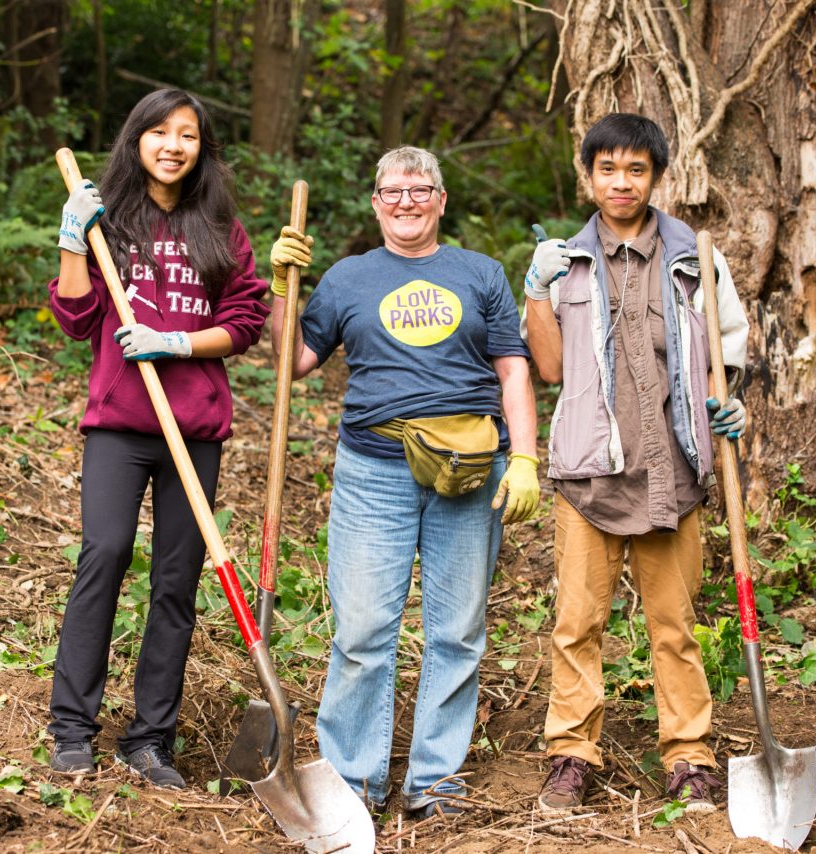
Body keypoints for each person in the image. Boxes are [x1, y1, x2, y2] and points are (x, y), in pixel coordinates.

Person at [267, 145, 541, 819]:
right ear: (375, 203)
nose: (407, 202)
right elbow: (291, 363)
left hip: (471, 469)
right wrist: (280, 291)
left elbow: (512, 370)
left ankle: (436, 781)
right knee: (362, 633)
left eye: (420, 190)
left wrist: (529, 458)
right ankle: (353, 783)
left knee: (457, 632)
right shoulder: (346, 277)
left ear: (441, 201)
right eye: (393, 191)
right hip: (374, 471)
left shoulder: (479, 274)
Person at [522, 113, 749, 814]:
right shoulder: (563, 261)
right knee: (576, 624)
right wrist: (536, 292)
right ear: (588, 176)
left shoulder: (695, 257)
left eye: (636, 170)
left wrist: (730, 404)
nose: (621, 183)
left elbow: (726, 352)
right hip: (590, 473)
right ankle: (570, 753)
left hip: (672, 470)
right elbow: (551, 367)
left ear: (656, 177)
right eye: (608, 170)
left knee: (675, 626)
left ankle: (689, 756)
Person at [45, 89, 271, 787]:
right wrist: (71, 239)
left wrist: (176, 340)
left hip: (193, 428)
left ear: (202, 149)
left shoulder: (220, 227)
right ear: (136, 139)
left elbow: (245, 320)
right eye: (160, 132)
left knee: (176, 581)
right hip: (119, 425)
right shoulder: (107, 219)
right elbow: (78, 319)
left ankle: (150, 740)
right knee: (104, 554)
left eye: (189, 135)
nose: (173, 145)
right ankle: (72, 728)